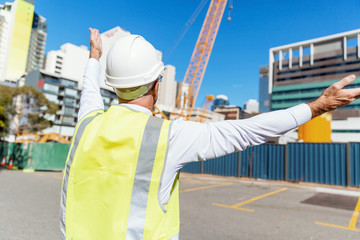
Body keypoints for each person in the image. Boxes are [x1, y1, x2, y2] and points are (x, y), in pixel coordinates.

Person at [60, 28, 360, 240]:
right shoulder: (167, 136)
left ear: (113, 86)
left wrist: (94, 58)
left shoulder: (87, 124)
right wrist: (319, 105)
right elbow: (249, 130)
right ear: (156, 84)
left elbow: (89, 91)